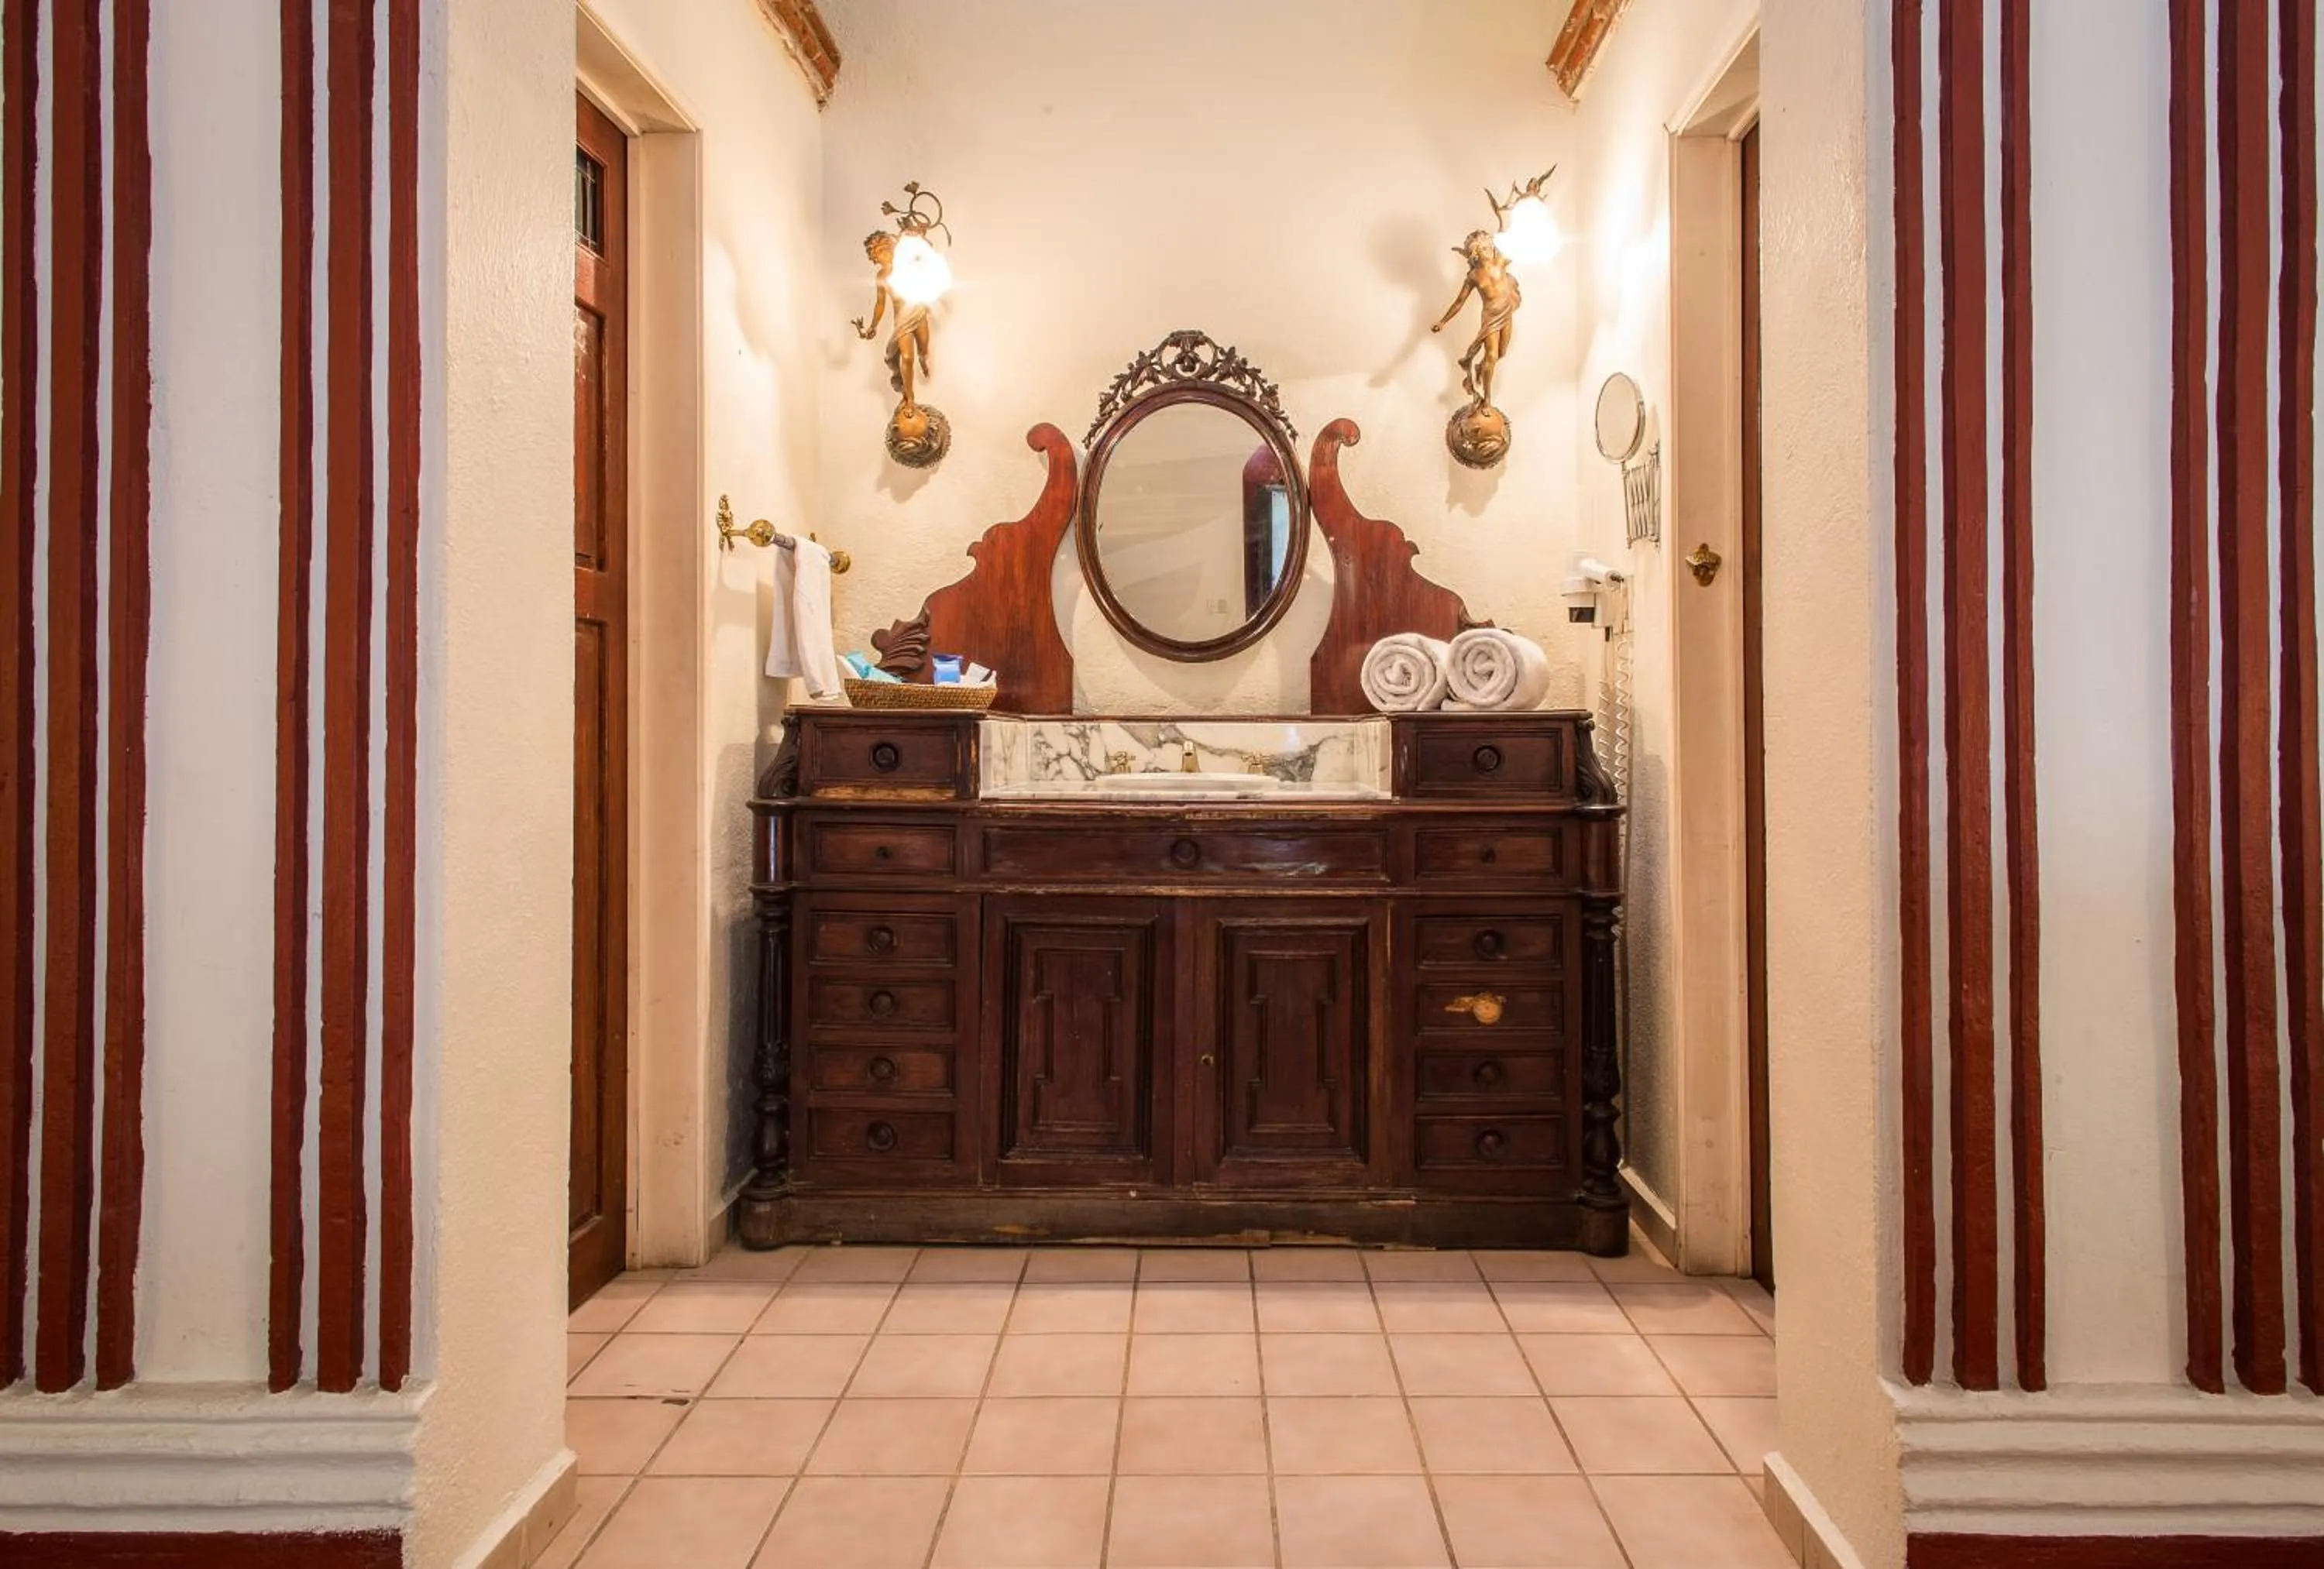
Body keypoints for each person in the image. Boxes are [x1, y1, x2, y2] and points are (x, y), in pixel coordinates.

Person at [1431, 228, 1520, 410]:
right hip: (1490, 318)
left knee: (1501, 353)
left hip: (1506, 312)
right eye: (1483, 250)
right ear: (1475, 253)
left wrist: (1505, 219)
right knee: (1492, 356)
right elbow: (1459, 303)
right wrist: (1443, 321)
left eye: (1489, 248)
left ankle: (1481, 367)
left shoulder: (1500, 262)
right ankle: (1487, 399)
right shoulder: (1473, 277)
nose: (1488, 252)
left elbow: (1510, 239)